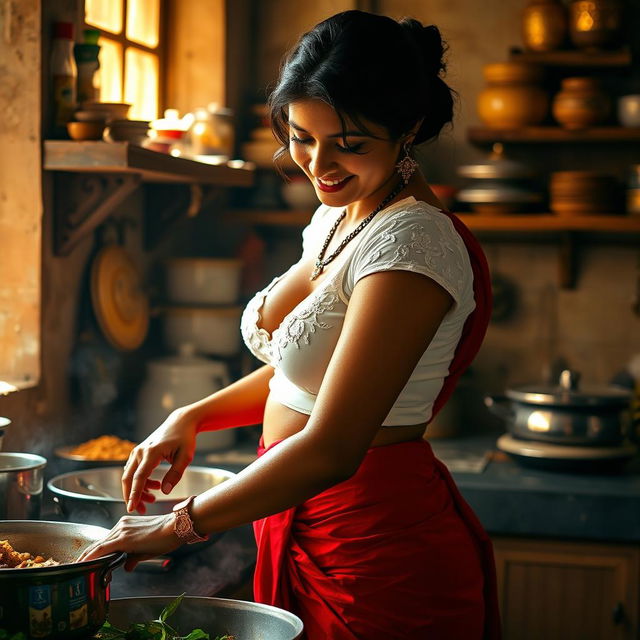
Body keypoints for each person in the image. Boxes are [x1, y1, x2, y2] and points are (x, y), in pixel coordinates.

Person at [78, 10, 501, 639]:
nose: (318, 164)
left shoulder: (414, 245)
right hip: (296, 512)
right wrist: (191, 415)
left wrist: (177, 523)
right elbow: (299, 379)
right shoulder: (342, 216)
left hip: (374, 548)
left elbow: (332, 446)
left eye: (350, 143)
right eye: (302, 136)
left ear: (408, 129)